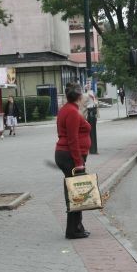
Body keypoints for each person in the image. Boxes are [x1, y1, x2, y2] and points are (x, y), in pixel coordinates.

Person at [55, 82, 92, 239]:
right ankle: (72, 230)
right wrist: (78, 162)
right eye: (83, 94)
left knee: (76, 190)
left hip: (67, 155)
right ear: (79, 96)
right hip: (70, 156)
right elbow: (72, 140)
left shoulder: (68, 109)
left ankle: (77, 226)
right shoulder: (71, 112)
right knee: (76, 192)